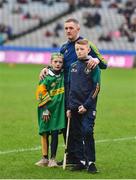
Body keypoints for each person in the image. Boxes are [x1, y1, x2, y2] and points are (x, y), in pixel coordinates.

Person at [39, 18, 107, 166]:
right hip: (65, 92)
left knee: (83, 127)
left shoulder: (86, 44)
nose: (68, 30)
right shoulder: (64, 48)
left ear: (78, 29)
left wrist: (95, 60)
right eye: (66, 28)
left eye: (71, 28)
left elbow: (104, 63)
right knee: (67, 125)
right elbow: (58, 65)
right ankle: (72, 156)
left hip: (84, 91)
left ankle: (82, 158)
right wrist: (46, 68)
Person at [67, 39, 101, 173]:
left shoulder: (93, 65)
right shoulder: (73, 66)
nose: (79, 51)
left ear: (88, 50)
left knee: (87, 131)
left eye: (82, 49)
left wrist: (86, 105)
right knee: (76, 134)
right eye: (77, 49)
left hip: (88, 106)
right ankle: (81, 161)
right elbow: (70, 87)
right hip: (74, 106)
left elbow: (96, 88)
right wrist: (70, 107)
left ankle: (91, 162)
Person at [35, 53, 65, 167]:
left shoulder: (63, 75)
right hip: (46, 109)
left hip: (58, 110)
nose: (58, 64)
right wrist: (45, 109)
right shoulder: (46, 77)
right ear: (51, 63)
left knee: (55, 132)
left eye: (60, 62)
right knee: (44, 132)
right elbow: (40, 92)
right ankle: (44, 158)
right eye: (55, 62)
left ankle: (53, 159)